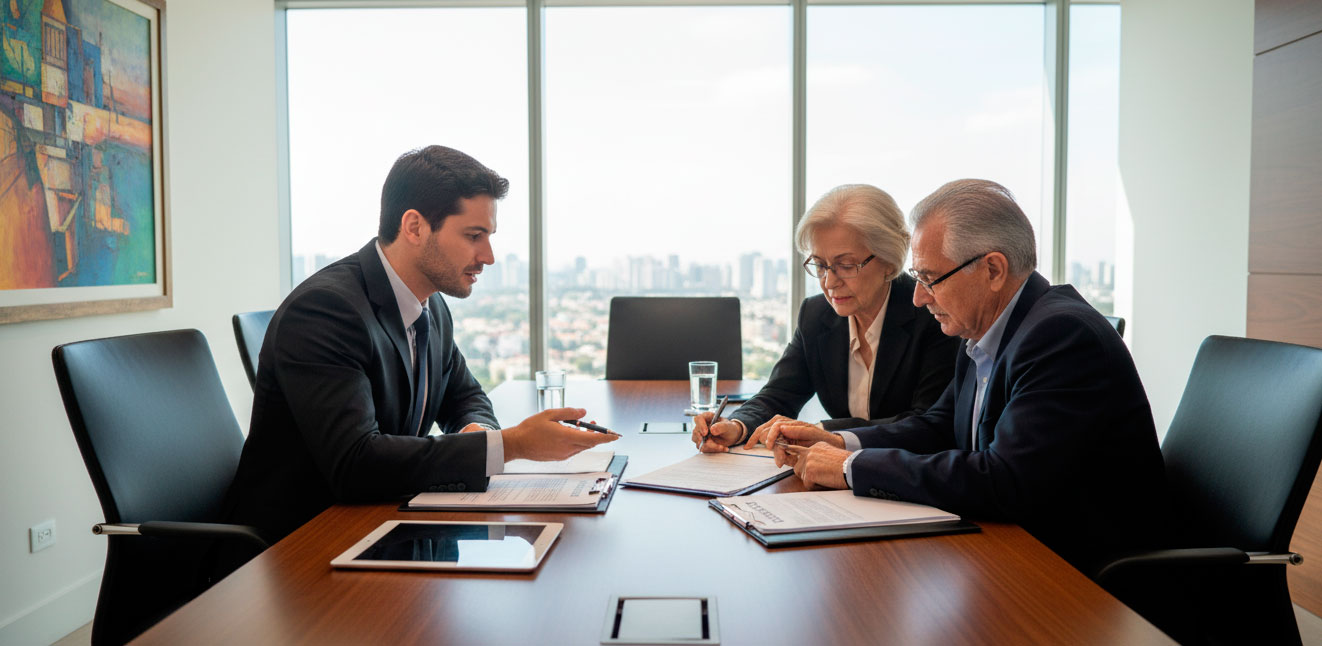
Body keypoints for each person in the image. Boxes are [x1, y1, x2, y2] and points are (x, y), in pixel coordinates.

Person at [222, 145, 616, 547]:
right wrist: (509, 445)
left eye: (489, 237)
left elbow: (465, 395)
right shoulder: (326, 311)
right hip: (301, 547)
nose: (489, 256)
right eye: (473, 236)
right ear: (414, 228)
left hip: (379, 523)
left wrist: (476, 432)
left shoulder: (431, 303)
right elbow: (356, 462)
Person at [765, 179, 1166, 573]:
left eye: (929, 278)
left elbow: (1005, 480)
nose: (920, 297)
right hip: (1009, 548)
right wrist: (837, 441)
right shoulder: (984, 331)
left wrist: (852, 468)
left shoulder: (1060, 336)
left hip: (1079, 574)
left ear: (992, 270)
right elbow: (938, 426)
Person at [690, 184, 959, 452]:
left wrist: (826, 433)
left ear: (890, 260)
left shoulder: (933, 315)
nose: (829, 282)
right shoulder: (816, 315)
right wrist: (736, 426)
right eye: (820, 265)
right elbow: (779, 394)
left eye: (845, 265)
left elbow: (928, 425)